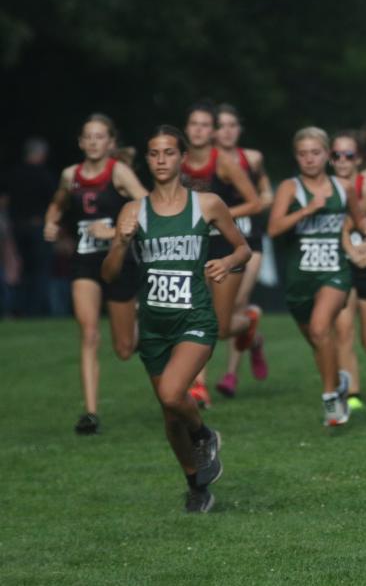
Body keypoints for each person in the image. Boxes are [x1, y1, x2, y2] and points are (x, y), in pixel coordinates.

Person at [102, 125, 250, 513]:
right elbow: (109, 274)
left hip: (195, 318)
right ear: (147, 160)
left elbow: (243, 249)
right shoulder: (134, 211)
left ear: (182, 158)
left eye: (169, 152)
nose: (162, 159)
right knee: (169, 412)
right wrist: (119, 241)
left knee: (172, 393)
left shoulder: (206, 205)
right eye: (154, 153)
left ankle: (204, 435)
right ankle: (195, 483)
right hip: (152, 324)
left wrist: (228, 261)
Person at [42, 114, 149, 434]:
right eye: (88, 136)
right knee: (88, 334)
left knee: (124, 349)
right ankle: (90, 413)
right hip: (85, 263)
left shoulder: (119, 172)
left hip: (118, 261)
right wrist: (51, 222)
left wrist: (115, 231)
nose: (93, 142)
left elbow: (151, 207)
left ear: (110, 142)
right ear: (80, 142)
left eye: (99, 136)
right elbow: (57, 205)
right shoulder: (69, 175)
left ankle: (145, 323)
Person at [268, 127, 366, 426]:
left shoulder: (343, 187)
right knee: (317, 341)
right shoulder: (290, 189)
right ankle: (339, 385)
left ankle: (330, 397)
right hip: (299, 276)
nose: (310, 159)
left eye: (315, 153)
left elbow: (358, 216)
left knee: (320, 328)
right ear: (296, 157)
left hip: (334, 271)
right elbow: (274, 229)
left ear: (327, 155)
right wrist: (305, 211)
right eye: (303, 154)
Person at [180, 101, 265, 407]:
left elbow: (255, 202)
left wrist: (218, 215)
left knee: (223, 327)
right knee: (195, 315)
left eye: (205, 124)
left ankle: (249, 321)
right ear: (186, 128)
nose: (199, 130)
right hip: (193, 247)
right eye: (194, 124)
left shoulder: (223, 163)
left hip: (225, 248)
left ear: (213, 131)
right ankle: (198, 386)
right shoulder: (178, 160)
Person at [212, 103, 272, 398]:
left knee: (238, 302)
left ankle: (230, 375)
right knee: (215, 311)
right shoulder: (207, 162)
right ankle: (255, 339)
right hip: (219, 241)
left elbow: (265, 194)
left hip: (250, 238)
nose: (227, 131)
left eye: (232, 125)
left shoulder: (252, 158)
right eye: (221, 125)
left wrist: (237, 209)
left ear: (240, 129)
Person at [331, 130, 366, 411]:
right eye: (336, 155)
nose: (342, 161)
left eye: (348, 155)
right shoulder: (324, 188)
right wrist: (350, 251)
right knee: (343, 329)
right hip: (341, 264)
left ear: (358, 159)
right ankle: (351, 392)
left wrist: (365, 251)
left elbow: (353, 224)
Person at [3, 137, 57, 316]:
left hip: (16, 228)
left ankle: (17, 308)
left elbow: (5, 201)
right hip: (37, 227)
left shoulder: (13, 173)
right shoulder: (43, 175)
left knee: (19, 269)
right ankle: (34, 310)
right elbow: (55, 203)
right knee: (40, 270)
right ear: (40, 154)